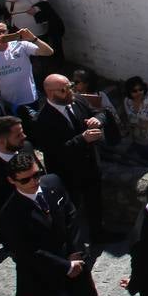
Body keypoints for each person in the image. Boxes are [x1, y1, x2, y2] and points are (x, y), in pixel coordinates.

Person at [0, 151, 133, 296]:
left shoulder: (53, 183)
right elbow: (29, 252)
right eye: (26, 179)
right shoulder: (9, 215)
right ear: (11, 181)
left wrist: (76, 252)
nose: (34, 181)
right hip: (43, 272)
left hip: (73, 259)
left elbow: (71, 215)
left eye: (36, 174)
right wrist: (65, 265)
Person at [31, 73, 113, 240]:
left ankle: (98, 233)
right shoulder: (42, 119)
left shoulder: (77, 100)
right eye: (64, 90)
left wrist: (98, 120)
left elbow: (100, 112)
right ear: (50, 93)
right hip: (67, 172)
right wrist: (82, 139)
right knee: (70, 209)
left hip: (90, 164)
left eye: (70, 87)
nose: (70, 92)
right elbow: (54, 150)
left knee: (94, 202)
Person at [0, 22, 53, 114]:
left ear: (8, 31)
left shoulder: (21, 45)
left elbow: (48, 52)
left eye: (3, 31)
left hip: (29, 98)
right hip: (8, 102)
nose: (1, 34)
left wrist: (34, 39)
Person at [0, 115, 36, 230]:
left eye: (22, 132)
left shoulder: (26, 147)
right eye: (18, 135)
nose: (24, 136)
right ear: (2, 142)